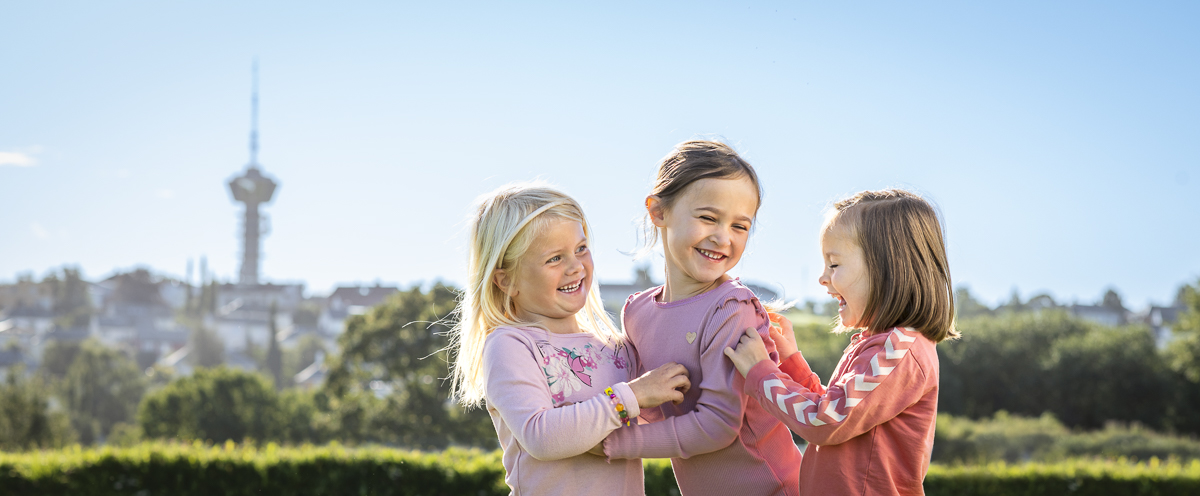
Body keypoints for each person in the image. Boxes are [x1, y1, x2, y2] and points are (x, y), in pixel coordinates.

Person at [597, 141, 823, 496]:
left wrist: (613, 442)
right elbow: (656, 410)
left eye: (740, 226)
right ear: (658, 211)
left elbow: (717, 425)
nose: (722, 238)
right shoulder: (637, 311)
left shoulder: (731, 309)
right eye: (707, 218)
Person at [447, 182, 691, 496]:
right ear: (506, 281)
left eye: (581, 249)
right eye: (554, 259)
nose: (575, 267)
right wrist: (633, 395)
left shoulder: (615, 347)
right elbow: (541, 438)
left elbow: (659, 417)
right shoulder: (510, 344)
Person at [725, 189, 959, 496]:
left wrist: (760, 372)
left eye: (834, 265)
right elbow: (837, 409)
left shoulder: (898, 351)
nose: (823, 277)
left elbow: (825, 420)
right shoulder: (883, 345)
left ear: (887, 269)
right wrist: (791, 361)